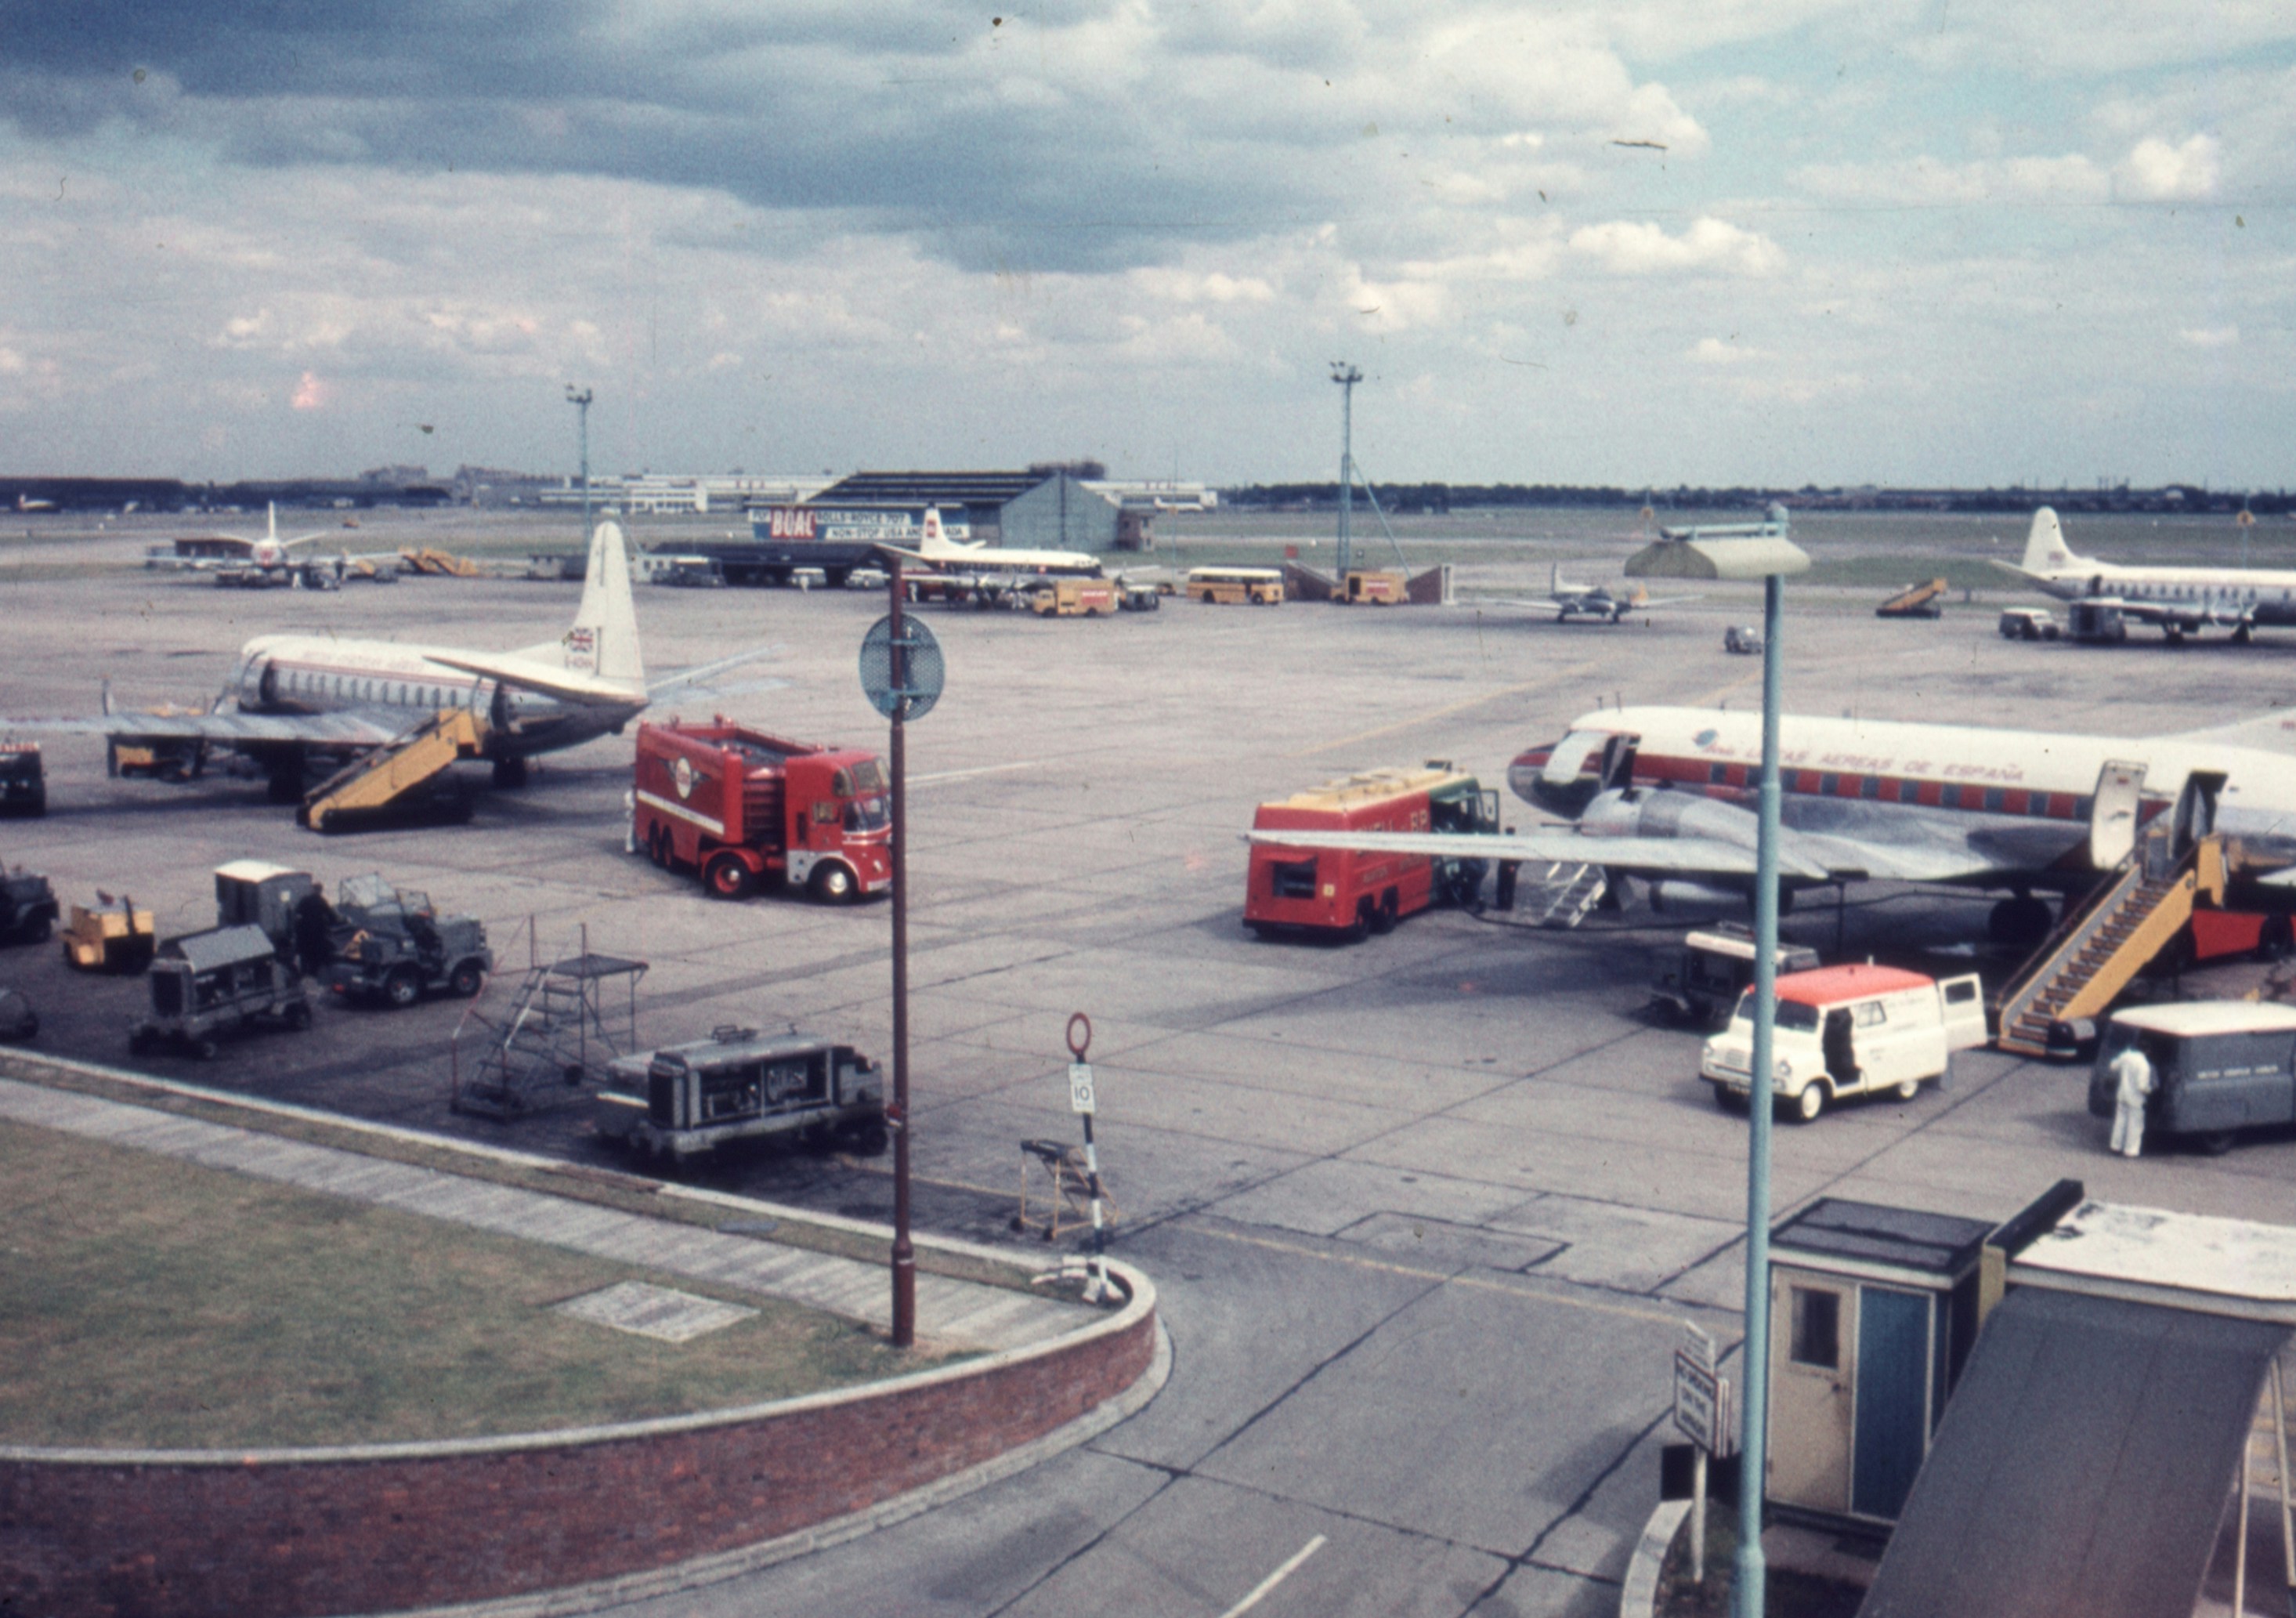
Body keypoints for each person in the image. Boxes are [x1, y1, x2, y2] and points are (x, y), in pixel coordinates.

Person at [2109, 1041, 2154, 1157]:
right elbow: (2142, 1087)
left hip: (2122, 1094)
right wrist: (2151, 1090)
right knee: (2135, 1125)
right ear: (2148, 1051)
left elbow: (2113, 1066)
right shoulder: (2144, 1065)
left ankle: (2115, 1146)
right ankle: (2131, 1150)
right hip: (2136, 1099)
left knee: (2120, 1121)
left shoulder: (2126, 1056)